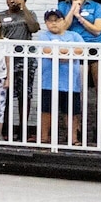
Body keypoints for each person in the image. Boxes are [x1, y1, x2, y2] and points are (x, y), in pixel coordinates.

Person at [37, 10, 85, 145]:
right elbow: (47, 51)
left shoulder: (74, 35)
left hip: (71, 82)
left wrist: (59, 52)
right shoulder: (43, 36)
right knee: (46, 110)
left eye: (57, 20)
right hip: (48, 82)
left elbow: (81, 50)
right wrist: (68, 52)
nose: (53, 23)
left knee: (71, 112)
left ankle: (73, 139)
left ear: (64, 21)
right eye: (50, 21)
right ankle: (44, 138)